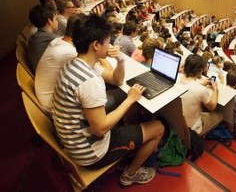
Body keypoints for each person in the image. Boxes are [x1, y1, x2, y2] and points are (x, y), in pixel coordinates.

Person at [52, 14, 164, 186]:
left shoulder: (75, 63)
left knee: (124, 98)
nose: (111, 45)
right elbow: (101, 129)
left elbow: (117, 81)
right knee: (159, 128)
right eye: (107, 41)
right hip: (91, 153)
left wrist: (120, 60)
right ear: (96, 45)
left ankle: (130, 142)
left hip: (74, 138)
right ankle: (130, 174)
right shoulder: (89, 81)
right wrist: (130, 100)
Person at [35, 14, 83, 114]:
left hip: (49, 99)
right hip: (55, 107)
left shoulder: (57, 40)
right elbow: (110, 77)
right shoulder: (69, 52)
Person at [179, 54, 223, 135]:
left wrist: (201, 84)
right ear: (199, 71)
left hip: (177, 123)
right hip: (191, 129)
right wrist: (215, 88)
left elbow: (189, 89)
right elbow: (212, 107)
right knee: (220, 115)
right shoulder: (201, 90)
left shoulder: (177, 78)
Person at [27, 5, 59, 73]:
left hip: (41, 72)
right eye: (56, 19)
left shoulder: (36, 35)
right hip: (47, 75)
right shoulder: (51, 38)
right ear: (49, 21)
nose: (57, 21)